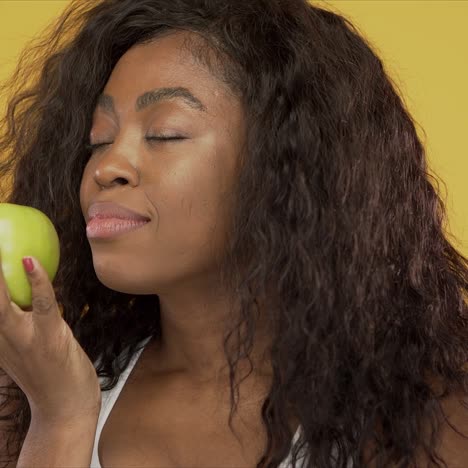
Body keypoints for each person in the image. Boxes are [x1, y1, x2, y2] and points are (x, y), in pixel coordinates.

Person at [0, 0, 467, 467]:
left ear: (285, 168)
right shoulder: (34, 395)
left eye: (164, 133)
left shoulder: (424, 416)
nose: (105, 166)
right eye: (98, 139)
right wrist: (59, 418)